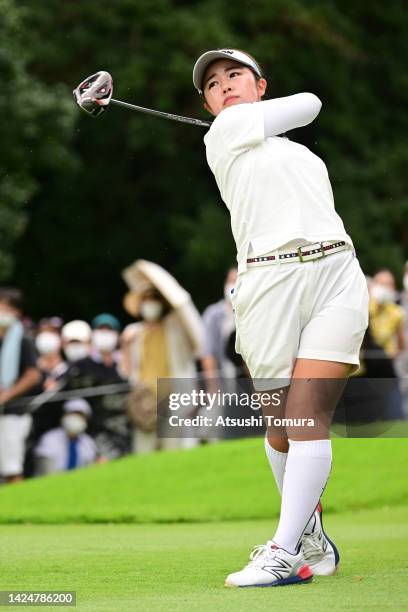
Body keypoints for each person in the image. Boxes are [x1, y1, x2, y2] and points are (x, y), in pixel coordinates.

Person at [192, 49, 369, 587]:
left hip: (336, 269)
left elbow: (308, 107)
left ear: (260, 84)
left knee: (305, 414)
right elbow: (311, 103)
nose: (224, 86)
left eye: (235, 76)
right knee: (280, 426)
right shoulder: (221, 135)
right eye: (213, 84)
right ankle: (311, 534)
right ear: (205, 104)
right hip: (268, 282)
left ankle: (284, 550)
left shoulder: (299, 154)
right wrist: (244, 114)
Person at [121, 259, 204, 453]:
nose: (150, 303)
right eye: (146, 299)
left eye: (154, 298)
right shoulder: (133, 333)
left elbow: (196, 335)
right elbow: (126, 370)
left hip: (173, 394)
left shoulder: (176, 328)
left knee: (173, 448)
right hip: (144, 399)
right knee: (143, 450)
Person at [0, 288, 41, 483]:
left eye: (7, 307)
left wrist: (6, 395)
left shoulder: (23, 338)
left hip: (13, 412)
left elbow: (33, 375)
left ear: (17, 312)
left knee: (11, 469)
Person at [34, 398, 97, 475]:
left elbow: (90, 470)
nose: (75, 418)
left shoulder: (89, 443)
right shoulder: (49, 439)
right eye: (72, 414)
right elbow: (46, 471)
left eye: (80, 415)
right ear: (64, 416)